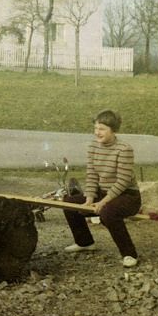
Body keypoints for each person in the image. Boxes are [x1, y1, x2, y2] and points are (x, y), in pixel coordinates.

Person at [62, 109, 142, 268]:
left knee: (107, 212)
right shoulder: (93, 146)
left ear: (113, 130)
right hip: (103, 193)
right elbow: (92, 174)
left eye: (102, 129)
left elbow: (123, 181)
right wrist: (89, 200)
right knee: (69, 203)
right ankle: (84, 242)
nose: (97, 132)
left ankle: (129, 254)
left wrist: (102, 202)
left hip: (127, 196)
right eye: (96, 128)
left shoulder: (124, 149)